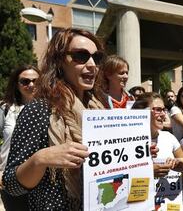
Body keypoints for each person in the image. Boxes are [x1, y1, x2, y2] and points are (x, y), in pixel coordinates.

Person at [2, 28, 107, 210]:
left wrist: (139, 157)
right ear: (59, 61)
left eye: (96, 58)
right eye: (81, 56)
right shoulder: (39, 110)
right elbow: (11, 184)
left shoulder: (100, 110)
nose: (92, 65)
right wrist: (41, 159)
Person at [0, 65, 40, 210]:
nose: (31, 85)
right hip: (10, 178)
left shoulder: (51, 109)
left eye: (36, 81)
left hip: (41, 179)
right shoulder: (6, 109)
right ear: (16, 85)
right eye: (25, 81)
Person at [131, 92, 183, 179]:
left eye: (164, 110)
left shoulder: (169, 137)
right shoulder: (129, 143)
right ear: (142, 112)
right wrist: (147, 172)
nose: (163, 114)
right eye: (158, 110)